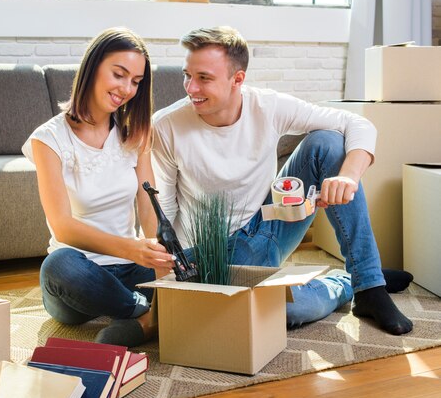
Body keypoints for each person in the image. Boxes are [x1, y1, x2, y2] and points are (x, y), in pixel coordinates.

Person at [151, 26, 413, 335]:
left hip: (270, 222)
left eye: (204, 78)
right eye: (187, 75)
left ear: (238, 80)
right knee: (287, 310)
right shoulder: (166, 126)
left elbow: (357, 123)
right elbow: (162, 211)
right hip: (219, 252)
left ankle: (369, 283)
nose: (190, 87)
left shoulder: (267, 105)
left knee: (328, 142)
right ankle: (347, 282)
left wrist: (348, 177)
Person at [22, 27, 174, 348]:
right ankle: (150, 314)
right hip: (79, 276)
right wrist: (130, 247)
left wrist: (160, 258)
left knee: (201, 255)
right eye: (119, 74)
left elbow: (149, 209)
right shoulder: (48, 139)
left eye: (135, 81)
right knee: (58, 266)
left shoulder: (135, 134)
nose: (126, 89)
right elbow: (63, 227)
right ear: (93, 68)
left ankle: (142, 317)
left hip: (133, 269)